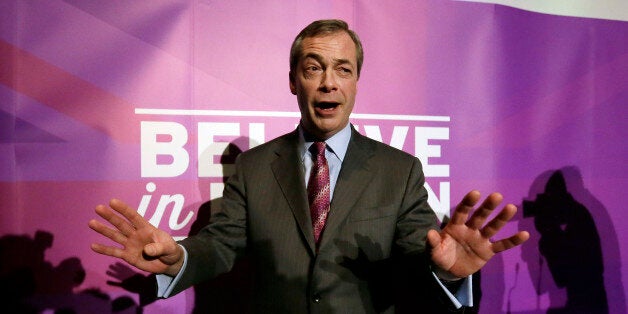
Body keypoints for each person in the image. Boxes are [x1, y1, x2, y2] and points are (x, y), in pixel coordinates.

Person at [89, 19, 529, 313]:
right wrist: (177, 257)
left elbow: (418, 253)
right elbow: (220, 245)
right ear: (293, 81)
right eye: (314, 67)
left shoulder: (401, 170)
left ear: (356, 82)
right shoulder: (254, 167)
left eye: (343, 69)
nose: (328, 83)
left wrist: (446, 270)